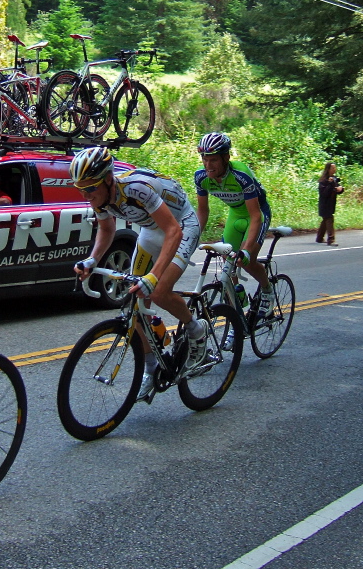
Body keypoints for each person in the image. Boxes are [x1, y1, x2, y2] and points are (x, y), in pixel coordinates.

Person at [70, 146, 207, 403]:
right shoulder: (101, 196)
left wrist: (154, 275)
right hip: (151, 229)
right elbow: (107, 229)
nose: (85, 195)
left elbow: (173, 231)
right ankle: (152, 366)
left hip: (181, 225)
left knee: (159, 291)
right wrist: (92, 259)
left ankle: (196, 330)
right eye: (80, 189)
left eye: (89, 189)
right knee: (135, 303)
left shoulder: (137, 189)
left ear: (108, 179)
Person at [193, 132, 274, 317]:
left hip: (257, 213)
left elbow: (255, 216)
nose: (208, 165)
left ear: (226, 158)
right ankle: (237, 304)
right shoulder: (200, 177)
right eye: (205, 159)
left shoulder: (240, 175)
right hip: (235, 213)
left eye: (213, 160)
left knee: (246, 261)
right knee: (227, 259)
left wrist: (246, 249)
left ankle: (268, 291)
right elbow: (203, 211)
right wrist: (191, 239)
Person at [317, 161, 344, 246]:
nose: (334, 169)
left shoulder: (334, 179)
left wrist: (340, 189)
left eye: (335, 168)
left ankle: (320, 238)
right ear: (328, 169)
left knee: (325, 220)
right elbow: (324, 193)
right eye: (332, 168)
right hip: (324, 203)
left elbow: (336, 189)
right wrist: (329, 183)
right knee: (329, 219)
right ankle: (331, 240)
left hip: (331, 203)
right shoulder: (323, 180)